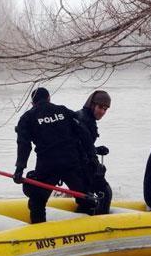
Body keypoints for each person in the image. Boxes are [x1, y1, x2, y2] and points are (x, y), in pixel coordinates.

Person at [13, 87, 94, 223]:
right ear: (49, 98)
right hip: (71, 162)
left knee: (37, 202)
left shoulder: (27, 118)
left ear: (33, 103)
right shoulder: (63, 110)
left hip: (48, 165)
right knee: (85, 197)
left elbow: (24, 144)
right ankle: (90, 225)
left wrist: (19, 169)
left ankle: (39, 234)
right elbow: (84, 133)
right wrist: (92, 158)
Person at [75, 90, 112, 214]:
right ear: (92, 105)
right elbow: (80, 149)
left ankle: (84, 212)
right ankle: (102, 223)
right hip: (79, 166)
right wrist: (96, 166)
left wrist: (96, 149)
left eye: (105, 109)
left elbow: (81, 145)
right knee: (105, 192)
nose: (102, 112)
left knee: (86, 198)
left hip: (77, 163)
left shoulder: (81, 116)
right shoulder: (85, 120)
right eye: (100, 107)